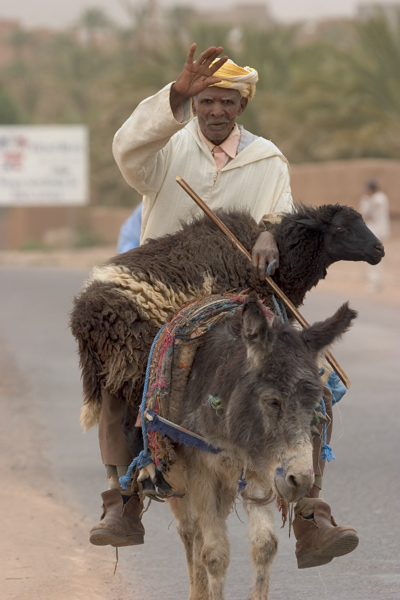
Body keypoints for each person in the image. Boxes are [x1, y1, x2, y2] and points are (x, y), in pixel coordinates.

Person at [90, 43, 359, 568]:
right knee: (114, 384)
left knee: (312, 384)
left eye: (227, 103)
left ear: (241, 107)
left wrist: (268, 235)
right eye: (206, 101)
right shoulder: (166, 153)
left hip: (243, 300)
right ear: (195, 104)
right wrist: (173, 93)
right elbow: (127, 150)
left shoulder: (267, 159)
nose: (216, 111)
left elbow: (278, 213)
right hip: (164, 296)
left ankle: (309, 514)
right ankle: (122, 503)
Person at [359, 180, 390, 291]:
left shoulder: (379, 198)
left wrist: (366, 201)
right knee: (371, 256)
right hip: (372, 231)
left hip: (376, 232)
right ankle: (373, 280)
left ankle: (376, 282)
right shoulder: (371, 199)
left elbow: (368, 212)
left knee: (375, 256)